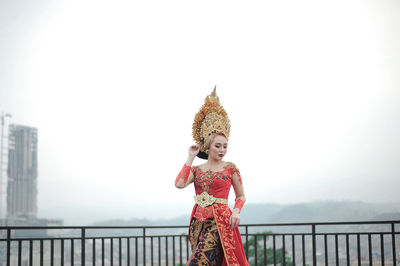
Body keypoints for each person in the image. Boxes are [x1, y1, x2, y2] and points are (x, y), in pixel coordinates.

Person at [175, 88, 249, 266]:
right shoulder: (197, 170)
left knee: (198, 262)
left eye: (225, 146)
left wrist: (237, 211)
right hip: (198, 222)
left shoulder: (230, 168)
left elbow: (241, 196)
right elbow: (179, 183)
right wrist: (190, 157)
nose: (222, 150)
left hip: (220, 223)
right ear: (208, 147)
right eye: (218, 146)